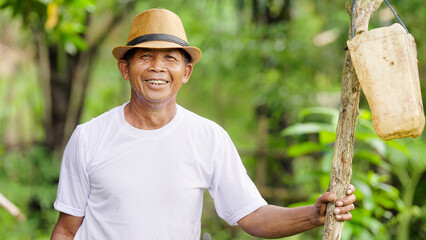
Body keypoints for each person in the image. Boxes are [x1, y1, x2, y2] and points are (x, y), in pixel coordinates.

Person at [51, 8, 356, 240]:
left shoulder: (207, 137)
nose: (157, 67)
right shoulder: (89, 137)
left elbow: (251, 216)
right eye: (145, 56)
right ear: (124, 68)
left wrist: (314, 215)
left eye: (170, 57)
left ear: (186, 72)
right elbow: (66, 230)